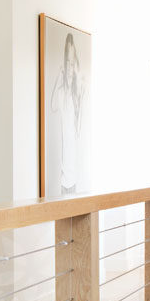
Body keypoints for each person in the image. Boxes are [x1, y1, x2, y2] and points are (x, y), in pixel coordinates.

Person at [50, 31, 84, 196]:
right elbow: (53, 106)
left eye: (72, 63)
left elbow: (78, 129)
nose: (70, 68)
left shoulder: (77, 94)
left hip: (76, 176)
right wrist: (58, 77)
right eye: (67, 62)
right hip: (64, 177)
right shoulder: (62, 93)